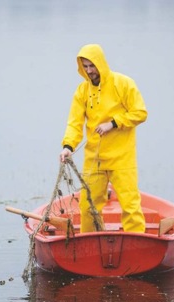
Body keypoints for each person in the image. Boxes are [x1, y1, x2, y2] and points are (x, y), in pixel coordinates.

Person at [60, 44, 147, 233]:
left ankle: (137, 244)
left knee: (130, 207)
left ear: (101, 63)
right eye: (85, 67)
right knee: (87, 207)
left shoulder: (123, 83)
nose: (90, 71)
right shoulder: (82, 91)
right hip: (95, 159)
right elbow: (74, 123)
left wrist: (113, 123)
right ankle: (91, 244)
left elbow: (140, 113)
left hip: (122, 158)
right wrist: (68, 146)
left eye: (92, 65)